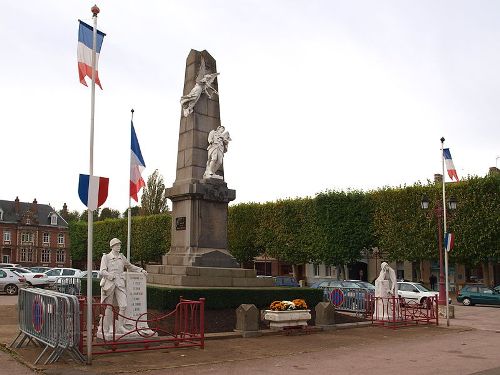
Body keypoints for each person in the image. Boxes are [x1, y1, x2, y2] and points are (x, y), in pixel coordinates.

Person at [99, 238, 147, 333]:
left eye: (119, 245)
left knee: (123, 305)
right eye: (117, 245)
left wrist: (141, 270)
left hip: (120, 283)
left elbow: (130, 266)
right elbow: (102, 271)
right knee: (109, 306)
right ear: (112, 246)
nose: (119, 247)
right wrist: (110, 276)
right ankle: (109, 327)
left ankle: (120, 326)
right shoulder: (106, 257)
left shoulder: (122, 257)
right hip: (110, 284)